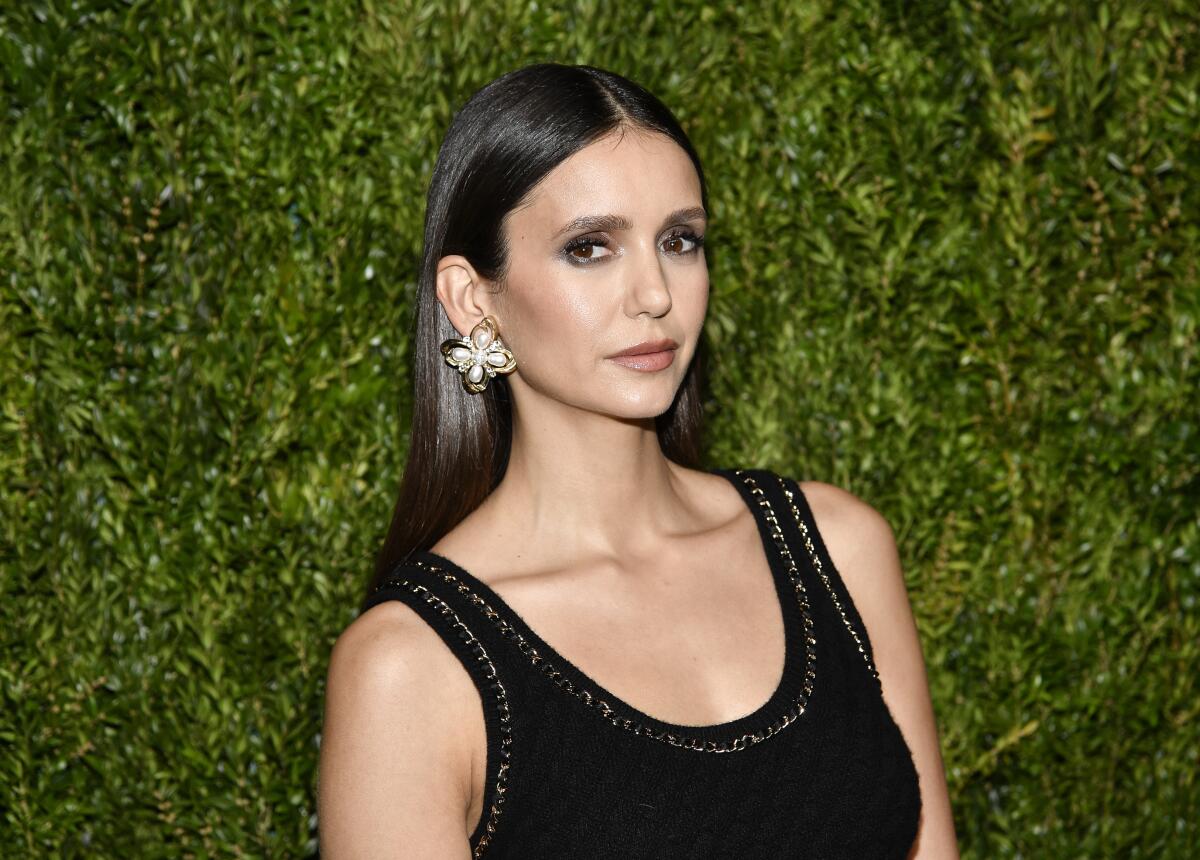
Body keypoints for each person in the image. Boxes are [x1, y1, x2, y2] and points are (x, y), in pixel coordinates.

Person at [317, 62, 958, 858]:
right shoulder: (411, 668)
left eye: (679, 241)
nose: (654, 292)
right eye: (590, 248)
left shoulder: (838, 547)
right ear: (472, 299)